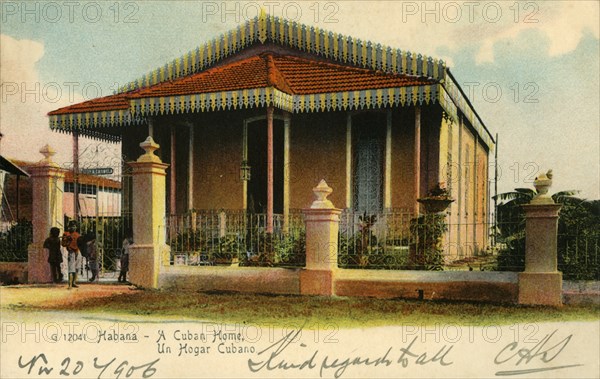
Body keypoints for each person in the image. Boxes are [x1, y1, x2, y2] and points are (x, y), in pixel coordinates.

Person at [62, 221, 81, 288]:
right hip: (71, 252)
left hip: (77, 251)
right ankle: (70, 284)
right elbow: (63, 244)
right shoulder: (66, 234)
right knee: (71, 268)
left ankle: (74, 282)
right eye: (72, 226)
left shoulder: (77, 235)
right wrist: (68, 241)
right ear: (69, 227)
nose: (73, 227)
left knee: (77, 268)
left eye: (74, 226)